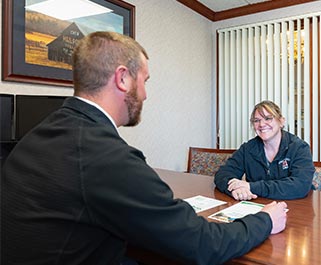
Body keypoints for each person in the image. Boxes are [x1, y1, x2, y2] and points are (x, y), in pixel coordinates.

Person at [1, 31, 287, 265]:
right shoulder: (106, 157)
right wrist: (263, 220)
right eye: (145, 81)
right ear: (123, 78)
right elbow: (202, 244)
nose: (146, 94)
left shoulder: (40, 133)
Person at [214, 100, 315, 201]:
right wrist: (235, 189)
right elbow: (222, 175)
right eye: (256, 120)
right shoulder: (248, 149)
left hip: (297, 206)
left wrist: (251, 187)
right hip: (259, 205)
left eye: (268, 118)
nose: (261, 124)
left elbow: (300, 185)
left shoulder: (299, 148)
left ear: (281, 121)